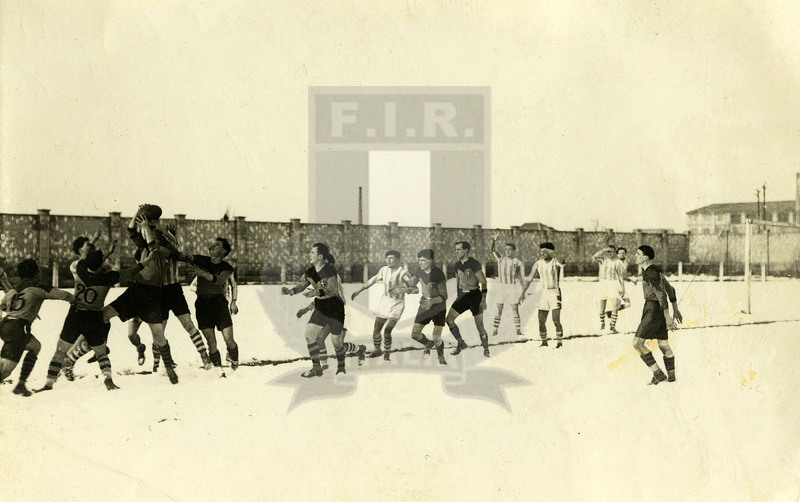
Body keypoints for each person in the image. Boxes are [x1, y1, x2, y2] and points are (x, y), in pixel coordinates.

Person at [37, 250, 150, 392]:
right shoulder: (108, 278)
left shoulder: (79, 269)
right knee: (101, 353)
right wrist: (150, 258)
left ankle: (48, 383)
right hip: (94, 317)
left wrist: (97, 252)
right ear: (101, 265)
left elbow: (83, 258)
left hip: (76, 315)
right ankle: (108, 379)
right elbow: (132, 271)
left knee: (59, 351)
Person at [102, 208, 179, 384]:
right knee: (104, 315)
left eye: (150, 231)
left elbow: (154, 247)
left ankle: (169, 368)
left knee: (159, 337)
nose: (145, 233)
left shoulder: (165, 249)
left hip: (152, 296)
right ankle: (103, 349)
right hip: (136, 291)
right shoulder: (144, 245)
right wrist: (138, 212)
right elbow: (130, 231)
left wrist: (148, 228)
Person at [0, 259, 76, 396]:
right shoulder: (39, 287)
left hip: (6, 325)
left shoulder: (13, 289)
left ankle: (21, 385)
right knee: (5, 370)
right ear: (36, 273)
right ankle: (20, 385)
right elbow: (65, 295)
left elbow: (3, 306)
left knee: (35, 346)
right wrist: (76, 304)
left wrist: (28, 310)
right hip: (19, 328)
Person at [281, 243, 347, 377]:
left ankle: (341, 366)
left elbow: (333, 290)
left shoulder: (330, 270)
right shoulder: (310, 271)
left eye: (312, 252)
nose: (309, 255)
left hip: (335, 309)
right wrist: (290, 291)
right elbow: (302, 285)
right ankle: (316, 368)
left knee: (336, 343)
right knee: (309, 334)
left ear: (320, 256)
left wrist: (314, 293)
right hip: (321, 308)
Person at [177, 237, 238, 375]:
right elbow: (182, 256)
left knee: (230, 341)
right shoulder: (201, 260)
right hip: (202, 304)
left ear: (223, 251)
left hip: (219, 304)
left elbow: (219, 280)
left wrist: (202, 273)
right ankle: (218, 371)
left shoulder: (227, 268)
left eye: (216, 245)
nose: (212, 246)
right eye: (213, 244)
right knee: (211, 342)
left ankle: (235, 363)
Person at [351, 250, 415, 361]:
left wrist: (403, 289)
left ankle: (387, 353)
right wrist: (358, 291)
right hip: (385, 302)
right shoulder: (384, 270)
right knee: (376, 329)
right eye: (387, 258)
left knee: (387, 329)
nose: (388, 260)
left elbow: (415, 289)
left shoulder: (403, 273)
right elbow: (372, 280)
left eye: (391, 258)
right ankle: (377, 350)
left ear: (398, 260)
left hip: (397, 304)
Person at [631, 245, 683, 385]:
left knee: (637, 343)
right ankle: (671, 378)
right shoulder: (656, 270)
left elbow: (661, 294)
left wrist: (668, 317)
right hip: (658, 309)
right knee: (663, 345)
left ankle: (658, 373)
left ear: (645, 258)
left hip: (653, 309)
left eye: (638, 254)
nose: (635, 256)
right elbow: (670, 290)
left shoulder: (649, 272)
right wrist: (675, 310)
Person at [446, 241, 491, 358]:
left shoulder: (474, 263)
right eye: (455, 250)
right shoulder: (457, 265)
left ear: (466, 250)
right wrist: (458, 296)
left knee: (480, 326)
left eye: (459, 249)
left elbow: (484, 282)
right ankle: (461, 343)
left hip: (475, 296)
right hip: (462, 296)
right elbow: (458, 282)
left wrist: (483, 300)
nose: (456, 252)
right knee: (449, 320)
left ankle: (486, 349)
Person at [519, 242, 566, 348]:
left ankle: (559, 342)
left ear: (550, 252)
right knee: (541, 320)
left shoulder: (555, 261)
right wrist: (522, 293)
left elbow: (563, 263)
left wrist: (555, 253)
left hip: (554, 292)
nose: (542, 254)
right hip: (543, 293)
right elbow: (529, 279)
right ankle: (544, 342)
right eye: (541, 252)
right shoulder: (538, 263)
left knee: (556, 320)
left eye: (545, 252)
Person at [407, 249, 449, 365]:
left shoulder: (438, 274)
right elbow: (412, 282)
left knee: (436, 337)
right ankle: (428, 344)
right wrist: (402, 283)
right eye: (419, 260)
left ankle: (441, 356)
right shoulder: (419, 271)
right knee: (415, 334)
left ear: (430, 261)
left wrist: (432, 302)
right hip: (424, 304)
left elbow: (444, 296)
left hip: (438, 306)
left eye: (423, 260)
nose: (420, 263)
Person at [489, 232, 524, 337]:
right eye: (506, 249)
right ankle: (495, 330)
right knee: (499, 309)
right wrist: (494, 240)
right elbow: (492, 250)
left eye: (509, 249)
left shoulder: (517, 262)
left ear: (513, 251)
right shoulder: (501, 259)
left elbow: (520, 277)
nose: (507, 251)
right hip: (502, 287)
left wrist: (523, 292)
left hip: (512, 288)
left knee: (515, 310)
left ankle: (518, 331)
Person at [591, 244, 628, 333]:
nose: (609, 253)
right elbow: (594, 257)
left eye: (610, 251)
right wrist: (602, 250)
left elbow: (620, 275)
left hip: (614, 283)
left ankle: (612, 326)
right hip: (603, 283)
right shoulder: (603, 260)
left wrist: (622, 287)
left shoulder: (618, 262)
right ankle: (602, 324)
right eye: (607, 252)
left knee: (616, 305)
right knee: (602, 304)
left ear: (614, 252)